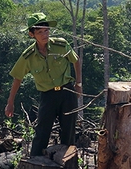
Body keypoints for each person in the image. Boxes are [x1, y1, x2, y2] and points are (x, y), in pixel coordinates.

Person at [6, 13, 82, 156]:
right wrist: (10, 102)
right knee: (42, 132)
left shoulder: (61, 45)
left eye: (46, 30)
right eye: (39, 32)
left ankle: (68, 168)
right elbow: (17, 77)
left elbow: (76, 61)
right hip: (48, 95)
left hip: (67, 92)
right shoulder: (28, 56)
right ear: (32, 34)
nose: (44, 34)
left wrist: (78, 84)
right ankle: (35, 164)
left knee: (69, 132)